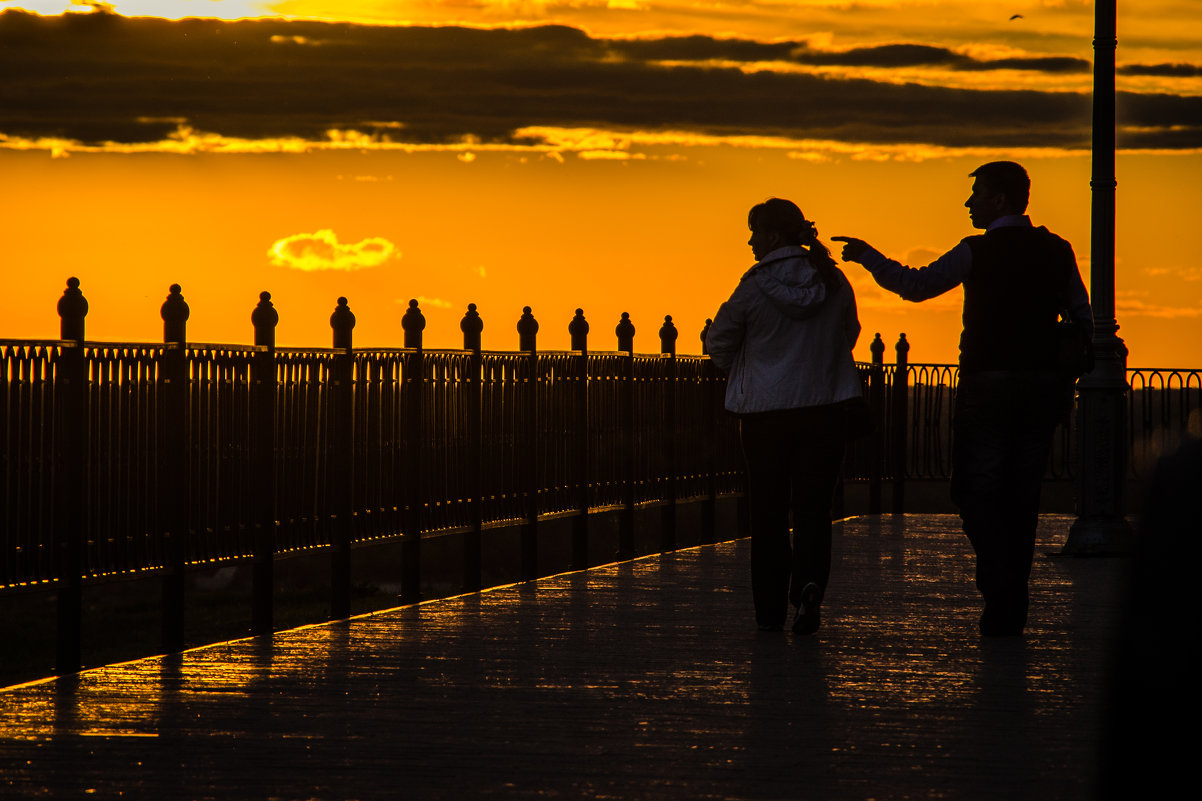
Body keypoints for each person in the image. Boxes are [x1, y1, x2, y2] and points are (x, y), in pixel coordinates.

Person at [831, 161, 1092, 636]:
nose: (968, 203)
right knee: (1022, 495)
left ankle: (1000, 591)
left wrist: (868, 256)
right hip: (1041, 388)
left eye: (976, 194)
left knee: (973, 493)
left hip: (987, 385)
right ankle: (1011, 595)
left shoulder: (977, 251)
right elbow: (1082, 313)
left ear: (998, 200)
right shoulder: (1057, 250)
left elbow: (916, 285)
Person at [706, 198, 863, 635]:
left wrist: (747, 366)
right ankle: (809, 585)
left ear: (773, 236)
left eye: (754, 232)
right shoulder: (832, 280)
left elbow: (720, 341)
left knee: (769, 512)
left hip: (764, 416)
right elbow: (849, 334)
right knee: (814, 508)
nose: (751, 241)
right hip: (826, 409)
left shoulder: (754, 286)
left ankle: (770, 611)